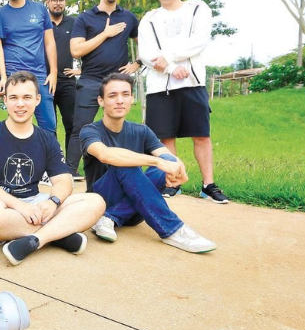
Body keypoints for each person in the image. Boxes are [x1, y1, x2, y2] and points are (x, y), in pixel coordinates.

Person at [0, 71, 105, 266]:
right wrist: (20, 207)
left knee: (96, 202)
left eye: (27, 97)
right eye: (14, 98)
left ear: (37, 100)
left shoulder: (47, 138)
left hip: (35, 202)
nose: (20, 104)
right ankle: (58, 234)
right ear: (5, 101)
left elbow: (63, 180)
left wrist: (53, 202)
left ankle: (36, 240)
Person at [80, 73, 216, 253]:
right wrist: (156, 162)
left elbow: (168, 158)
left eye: (125, 94)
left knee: (167, 161)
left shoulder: (142, 131)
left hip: (135, 211)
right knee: (127, 166)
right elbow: (106, 155)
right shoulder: (89, 131)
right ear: (101, 101)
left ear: (131, 98)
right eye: (112, 96)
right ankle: (173, 230)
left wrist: (177, 167)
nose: (120, 100)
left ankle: (110, 218)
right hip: (99, 203)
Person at [139, 0, 229, 203]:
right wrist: (169, 68)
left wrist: (169, 57)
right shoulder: (149, 19)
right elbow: (146, 54)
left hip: (192, 82)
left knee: (201, 135)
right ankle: (173, 182)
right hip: (159, 86)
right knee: (165, 138)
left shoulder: (198, 9)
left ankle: (208, 184)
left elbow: (198, 42)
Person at [67, 0, 141, 177]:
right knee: (80, 127)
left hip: (118, 81)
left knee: (116, 127)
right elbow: (76, 50)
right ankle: (68, 172)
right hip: (90, 80)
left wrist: (137, 63)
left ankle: (116, 169)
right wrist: (105, 34)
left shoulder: (128, 18)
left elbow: (146, 43)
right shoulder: (85, 18)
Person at [0, 0, 58, 132]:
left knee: (49, 126)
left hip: (40, 77)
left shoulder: (40, 10)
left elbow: (49, 42)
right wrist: (3, 76)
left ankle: (50, 158)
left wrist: (54, 72)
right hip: (13, 77)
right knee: (16, 125)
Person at [46, 0, 81, 178]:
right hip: (46, 82)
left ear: (65, 2)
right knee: (49, 126)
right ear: (48, 2)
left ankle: (71, 168)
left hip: (68, 82)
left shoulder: (75, 23)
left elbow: (88, 47)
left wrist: (80, 70)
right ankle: (53, 167)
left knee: (72, 124)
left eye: (61, 0)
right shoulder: (43, 23)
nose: (58, 3)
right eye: (54, 0)